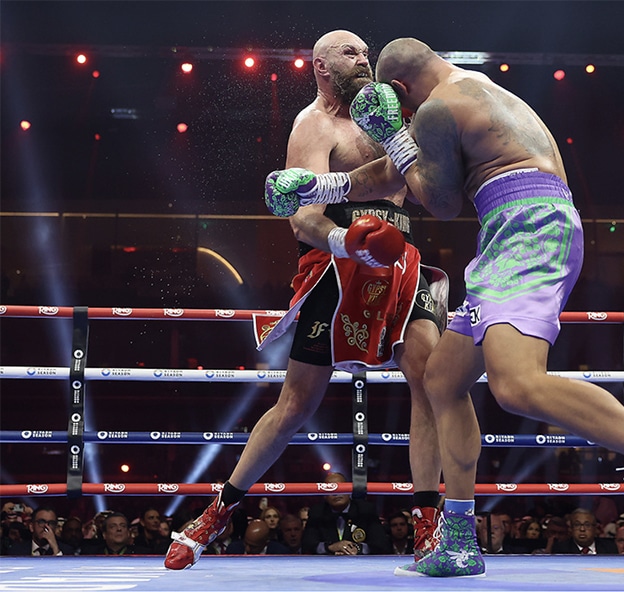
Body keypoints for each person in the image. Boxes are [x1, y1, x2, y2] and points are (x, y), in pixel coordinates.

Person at [264, 37, 624, 579]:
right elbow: (393, 176)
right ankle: (460, 543)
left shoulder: (439, 110)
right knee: (444, 381)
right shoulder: (473, 89)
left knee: (516, 385)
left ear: (398, 89)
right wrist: (319, 184)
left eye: (398, 107)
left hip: (529, 229)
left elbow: (440, 203)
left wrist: (395, 133)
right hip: (513, 231)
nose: (400, 117)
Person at [165, 29, 444, 571]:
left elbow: (427, 186)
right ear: (320, 65)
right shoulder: (313, 125)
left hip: (402, 258)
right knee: (296, 404)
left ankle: (429, 523)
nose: (364, 59)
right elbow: (303, 214)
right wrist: (349, 241)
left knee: (431, 382)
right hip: (337, 265)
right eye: (350, 52)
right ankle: (220, 509)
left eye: (367, 52)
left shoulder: (391, 114)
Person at [301, 472, 391, 555]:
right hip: (327, 565)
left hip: (361, 564)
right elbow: (308, 545)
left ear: (349, 490)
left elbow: (381, 544)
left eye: (340, 487)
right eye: (331, 488)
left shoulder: (365, 510)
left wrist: (357, 549)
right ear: (324, 495)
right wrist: (330, 547)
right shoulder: (317, 512)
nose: (336, 493)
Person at [7, 506, 73, 556]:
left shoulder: (66, 551)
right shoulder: (16, 551)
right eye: (41, 522)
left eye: (51, 523)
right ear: (31, 527)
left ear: (55, 528)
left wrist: (55, 549)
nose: (46, 527)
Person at [552, 508, 617, 555]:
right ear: (571, 528)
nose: (582, 529)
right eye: (577, 525)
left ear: (595, 528)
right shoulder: (560, 550)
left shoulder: (609, 548)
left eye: (587, 525)